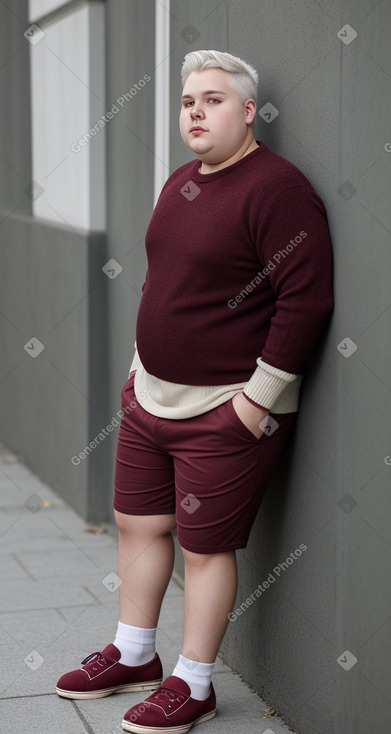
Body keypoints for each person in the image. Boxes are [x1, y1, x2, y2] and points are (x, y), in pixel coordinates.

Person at [56, 49, 334, 733]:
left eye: (212, 100)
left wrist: (254, 402)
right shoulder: (181, 181)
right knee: (138, 525)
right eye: (187, 102)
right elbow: (162, 284)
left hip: (227, 408)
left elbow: (306, 301)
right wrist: (133, 371)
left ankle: (195, 683)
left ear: (246, 112)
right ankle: (133, 653)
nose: (196, 112)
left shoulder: (277, 188)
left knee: (205, 548)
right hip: (150, 398)